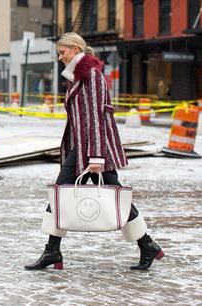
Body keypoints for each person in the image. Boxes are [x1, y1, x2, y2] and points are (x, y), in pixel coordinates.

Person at [24, 32, 164, 271]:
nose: (60, 57)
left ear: (76, 49)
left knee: (90, 196)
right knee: (105, 196)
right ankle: (145, 245)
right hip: (82, 148)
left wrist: (96, 156)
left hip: (94, 149)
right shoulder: (76, 75)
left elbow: (97, 117)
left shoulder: (90, 74)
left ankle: (53, 251)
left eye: (63, 52)